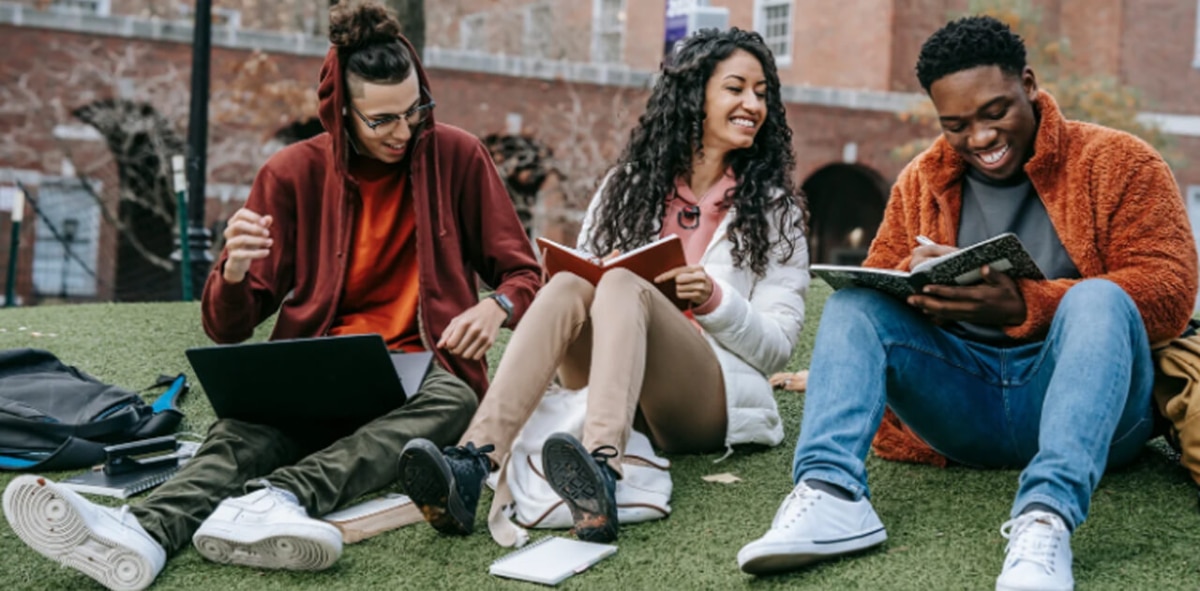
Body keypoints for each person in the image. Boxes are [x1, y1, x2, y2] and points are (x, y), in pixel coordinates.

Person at [1, 3, 540, 590]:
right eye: (382, 120)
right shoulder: (289, 173)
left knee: (457, 402)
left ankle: (280, 498)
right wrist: (232, 272)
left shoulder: (457, 156)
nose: (404, 132)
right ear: (341, 112)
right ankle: (142, 533)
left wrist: (498, 306)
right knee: (243, 430)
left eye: (415, 111)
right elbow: (227, 328)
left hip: (422, 364)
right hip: (321, 360)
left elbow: (523, 274)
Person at [737, 16, 1198, 591]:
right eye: (955, 124)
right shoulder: (922, 178)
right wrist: (923, 283)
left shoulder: (1121, 162)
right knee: (854, 306)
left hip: (1090, 410)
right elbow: (880, 277)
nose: (979, 138)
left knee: (1101, 299)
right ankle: (830, 495)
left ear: (1028, 83)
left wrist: (1025, 304)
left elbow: (1170, 291)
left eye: (994, 113)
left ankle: (1045, 519)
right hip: (962, 404)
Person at [397, 27, 810, 544]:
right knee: (573, 282)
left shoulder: (774, 209)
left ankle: (601, 471)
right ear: (694, 95)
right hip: (609, 382)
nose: (752, 103)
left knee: (622, 286)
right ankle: (472, 462)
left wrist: (713, 299)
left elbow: (775, 348)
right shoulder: (628, 185)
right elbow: (584, 289)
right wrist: (599, 270)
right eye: (735, 88)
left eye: (761, 92)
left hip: (704, 399)